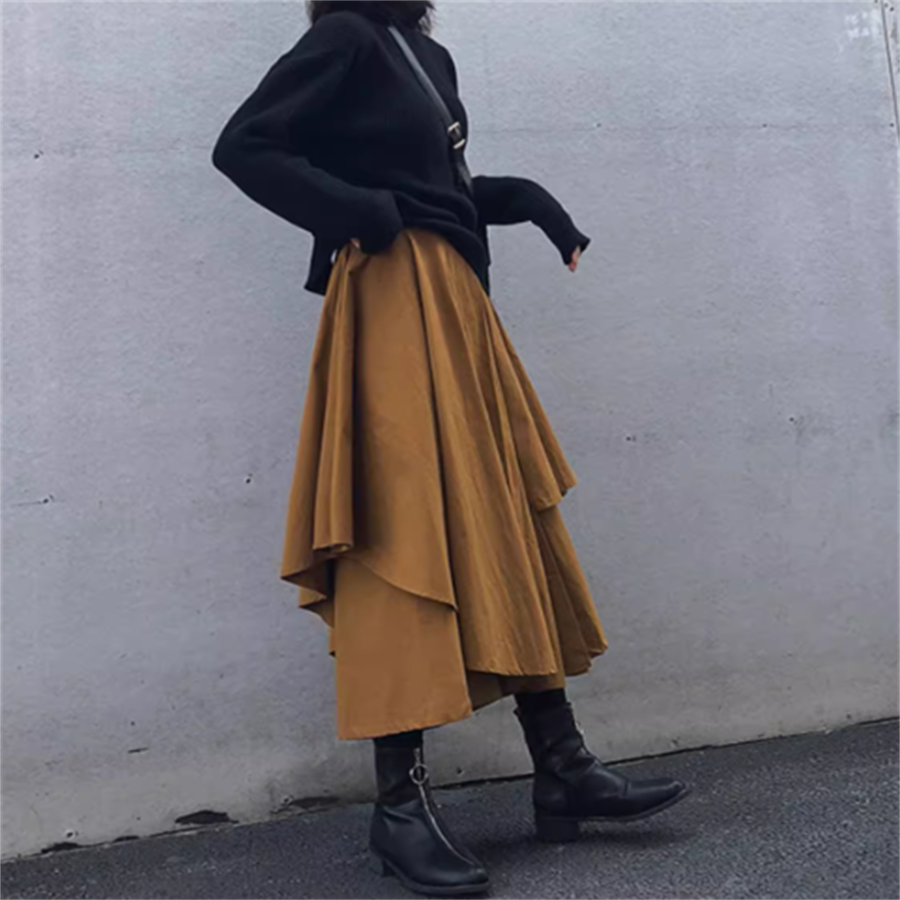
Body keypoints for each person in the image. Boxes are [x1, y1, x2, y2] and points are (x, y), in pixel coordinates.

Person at [212, 1, 690, 895]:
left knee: (503, 518)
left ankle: (562, 764)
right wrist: (365, 215)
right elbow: (245, 146)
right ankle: (400, 807)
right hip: (393, 299)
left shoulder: (428, 57)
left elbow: (442, 192)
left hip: (456, 304)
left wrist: (530, 205)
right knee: (403, 530)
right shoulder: (344, 39)